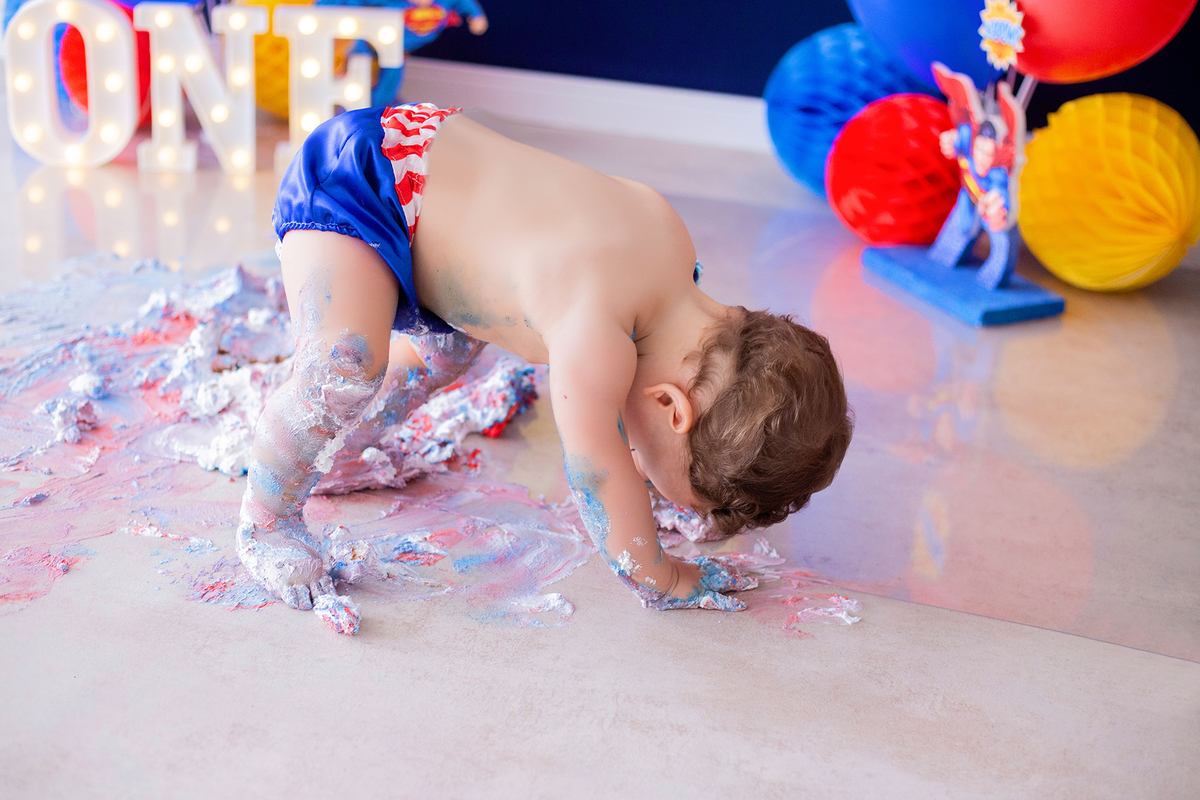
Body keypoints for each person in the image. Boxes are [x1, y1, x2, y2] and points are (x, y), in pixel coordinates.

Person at [237, 103, 853, 614]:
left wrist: (685, 482)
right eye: (657, 475)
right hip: (360, 182)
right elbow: (598, 473)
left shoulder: (671, 250)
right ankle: (265, 517)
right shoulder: (596, 338)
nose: (641, 473)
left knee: (442, 357)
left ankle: (339, 442)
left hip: (434, 172)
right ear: (672, 408)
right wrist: (660, 574)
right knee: (345, 367)